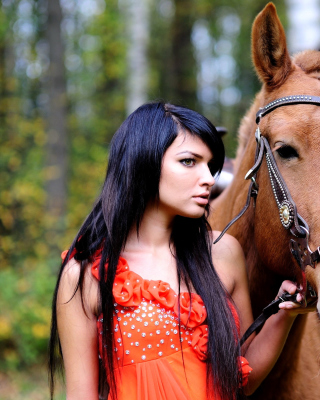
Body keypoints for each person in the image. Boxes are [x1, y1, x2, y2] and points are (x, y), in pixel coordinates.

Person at [49, 101, 314, 400]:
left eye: (210, 165)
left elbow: (240, 380)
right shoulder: (86, 275)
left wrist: (283, 315)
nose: (208, 179)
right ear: (142, 160)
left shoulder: (223, 252)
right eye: (189, 161)